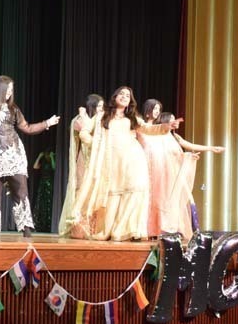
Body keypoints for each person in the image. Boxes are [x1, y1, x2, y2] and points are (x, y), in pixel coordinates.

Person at [73, 86, 178, 241]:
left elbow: (148, 129)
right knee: (112, 195)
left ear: (130, 101)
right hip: (111, 162)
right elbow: (84, 132)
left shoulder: (132, 118)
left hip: (133, 160)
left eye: (127, 95)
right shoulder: (103, 116)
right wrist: (95, 144)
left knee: (133, 191)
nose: (123, 96)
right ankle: (107, 230)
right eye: (121, 94)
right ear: (114, 97)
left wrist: (166, 127)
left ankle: (125, 230)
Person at [0, 75, 60, 237]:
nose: (10, 93)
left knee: (20, 189)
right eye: (8, 89)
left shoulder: (13, 109)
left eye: (12, 90)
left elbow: (27, 128)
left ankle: (26, 227)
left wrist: (46, 123)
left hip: (13, 153)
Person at [139, 111, 225, 239]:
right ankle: (159, 229)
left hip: (175, 176)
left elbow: (189, 146)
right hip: (162, 176)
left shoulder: (175, 137)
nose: (176, 123)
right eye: (172, 120)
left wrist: (210, 148)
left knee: (177, 202)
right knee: (162, 201)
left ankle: (172, 229)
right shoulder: (157, 137)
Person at [58, 94, 104, 237]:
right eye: (99, 106)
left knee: (94, 192)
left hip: (97, 160)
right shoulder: (81, 119)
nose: (102, 110)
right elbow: (84, 136)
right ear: (92, 106)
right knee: (82, 190)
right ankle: (80, 230)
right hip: (85, 160)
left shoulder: (98, 121)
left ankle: (93, 228)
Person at [32, 146, 56, 232]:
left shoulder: (52, 160)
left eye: (47, 154)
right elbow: (35, 167)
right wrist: (39, 156)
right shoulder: (44, 161)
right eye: (45, 154)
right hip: (43, 184)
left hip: (50, 184)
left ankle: (49, 225)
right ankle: (40, 224)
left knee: (48, 204)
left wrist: (52, 157)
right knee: (41, 204)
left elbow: (54, 168)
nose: (46, 156)